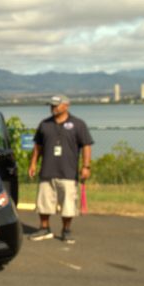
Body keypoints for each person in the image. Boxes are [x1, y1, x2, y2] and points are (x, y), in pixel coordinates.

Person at [28, 94, 93, 243]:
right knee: (44, 202)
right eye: (51, 105)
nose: (53, 108)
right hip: (47, 171)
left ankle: (66, 230)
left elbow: (86, 146)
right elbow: (38, 147)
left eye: (56, 105)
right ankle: (44, 229)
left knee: (68, 204)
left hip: (68, 172)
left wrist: (86, 166)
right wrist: (33, 163)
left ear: (66, 105)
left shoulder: (78, 124)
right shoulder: (44, 124)